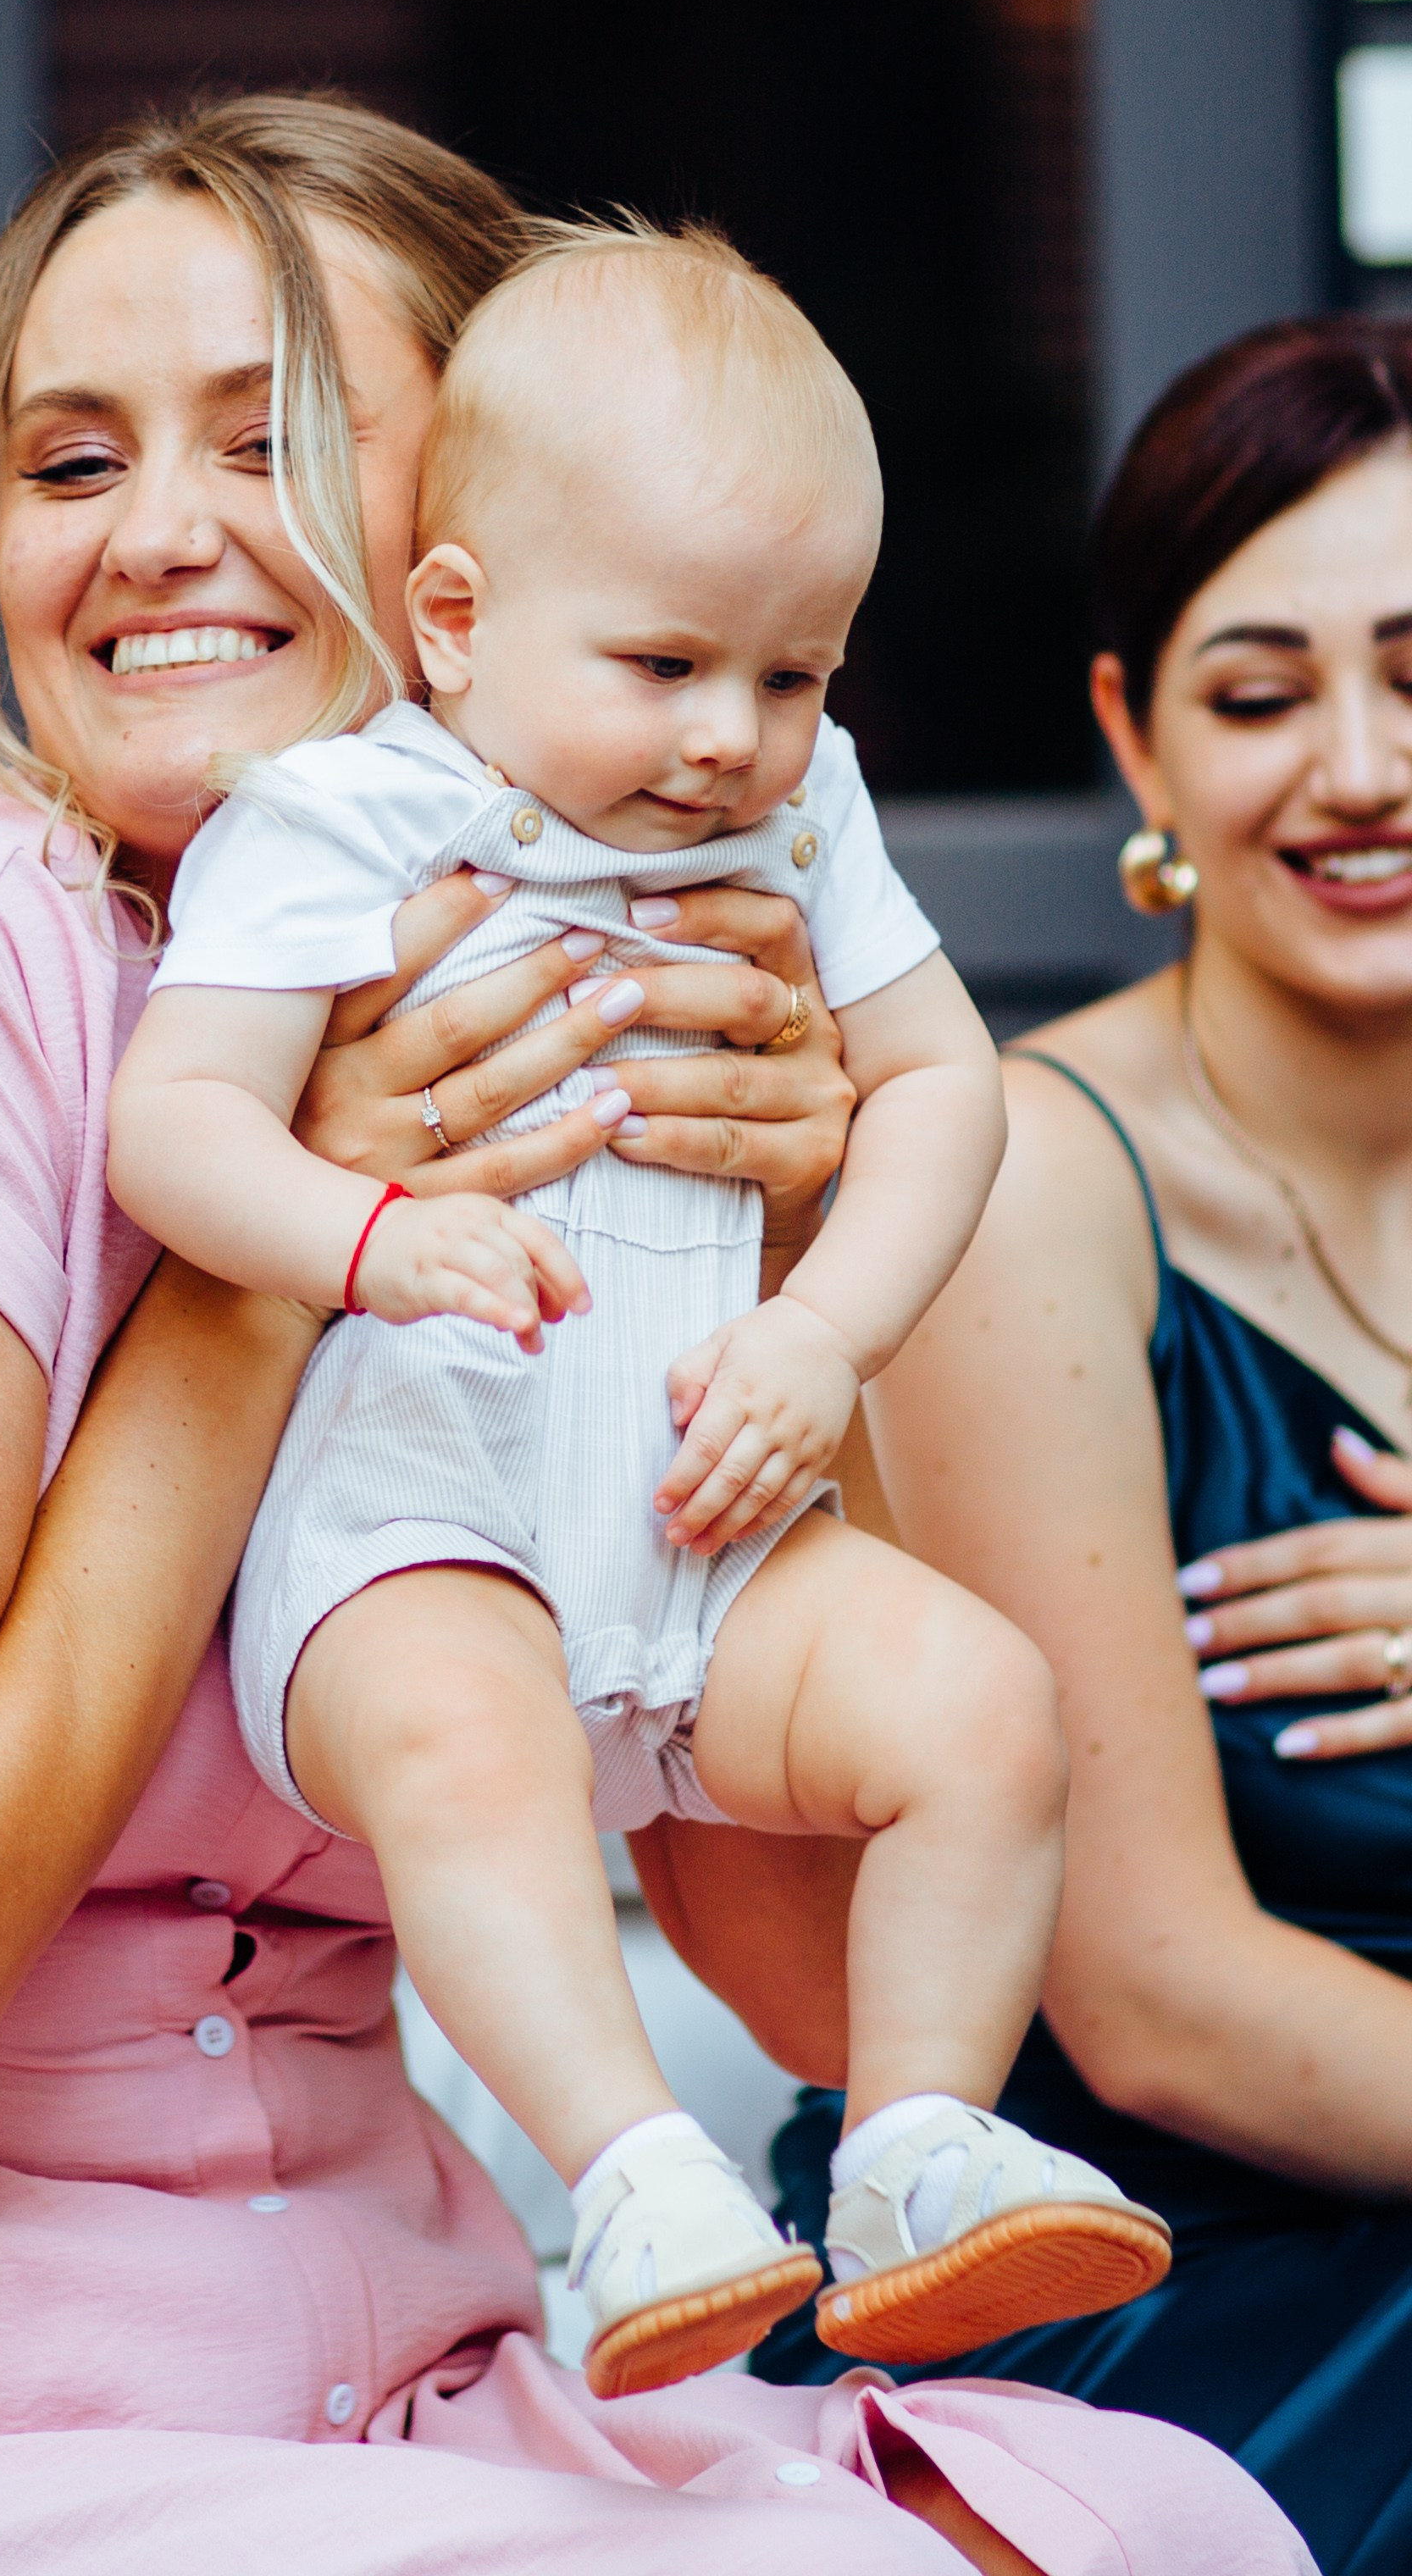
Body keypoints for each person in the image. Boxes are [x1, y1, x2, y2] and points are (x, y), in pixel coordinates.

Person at [0, 94, 1299, 2572]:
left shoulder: (594, 948)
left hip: (379, 2359)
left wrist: (775, 1279)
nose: (152, 529)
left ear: (487, 536)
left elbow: (820, 1995)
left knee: (1168, 2524)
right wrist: (312, 1240)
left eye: (271, 435)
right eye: (67, 456)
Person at [112, 219, 1166, 2394]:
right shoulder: (336, 817)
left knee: (979, 1703)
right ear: (458, 619)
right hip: (423, 1529)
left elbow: (941, 1083)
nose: (731, 740)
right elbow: (174, 1127)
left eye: (796, 676)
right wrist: (363, 1235)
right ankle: (633, 2185)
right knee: (470, 1743)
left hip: (708, 1534)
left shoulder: (802, 824)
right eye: (669, 665)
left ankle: (911, 2153)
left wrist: (826, 1334)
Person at [753, 315, 1412, 2576]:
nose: (1357, 765)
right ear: (1137, 735)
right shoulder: (1030, 1183)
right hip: (1162, 2280)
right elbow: (1155, 2010)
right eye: (1258, 692)